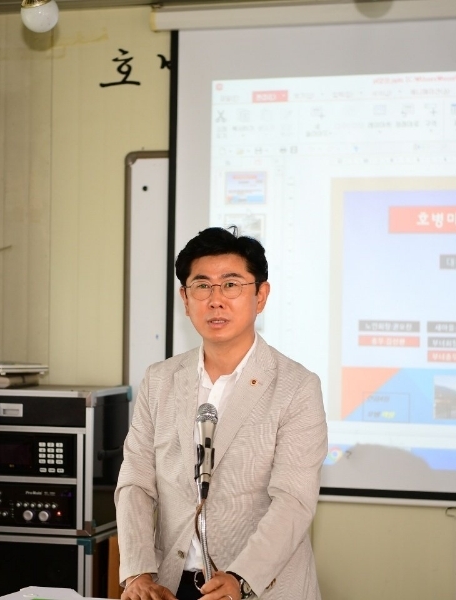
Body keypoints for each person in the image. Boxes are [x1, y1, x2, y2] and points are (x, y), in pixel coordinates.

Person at [115, 226, 328, 600]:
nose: (216, 300)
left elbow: (293, 500)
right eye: (202, 286)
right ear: (185, 298)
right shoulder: (160, 380)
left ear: (261, 295)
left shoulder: (297, 386)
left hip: (258, 586)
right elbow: (135, 482)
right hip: (170, 584)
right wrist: (137, 572)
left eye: (231, 285)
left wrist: (240, 578)